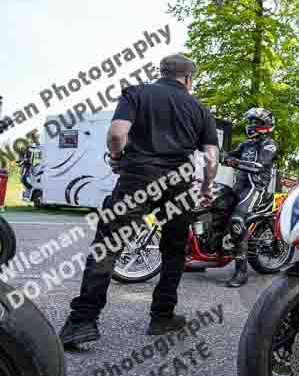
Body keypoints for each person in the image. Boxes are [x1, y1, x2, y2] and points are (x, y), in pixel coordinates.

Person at [59, 54, 219, 347]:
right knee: (174, 251)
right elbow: (210, 157)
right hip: (179, 184)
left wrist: (117, 158)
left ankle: (82, 321)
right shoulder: (200, 109)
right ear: (188, 79)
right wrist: (207, 186)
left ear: (162, 72)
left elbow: (117, 134)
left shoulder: (137, 93)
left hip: (138, 179)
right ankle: (162, 316)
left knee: (108, 246)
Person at [222, 107, 279, 288]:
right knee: (211, 207)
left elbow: (260, 164)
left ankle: (241, 271)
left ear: (266, 126)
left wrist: (235, 162)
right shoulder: (245, 145)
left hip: (256, 189)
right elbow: (228, 156)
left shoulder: (270, 145)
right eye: (251, 122)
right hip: (238, 188)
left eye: (256, 122)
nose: (252, 125)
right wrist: (218, 154)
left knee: (237, 221)